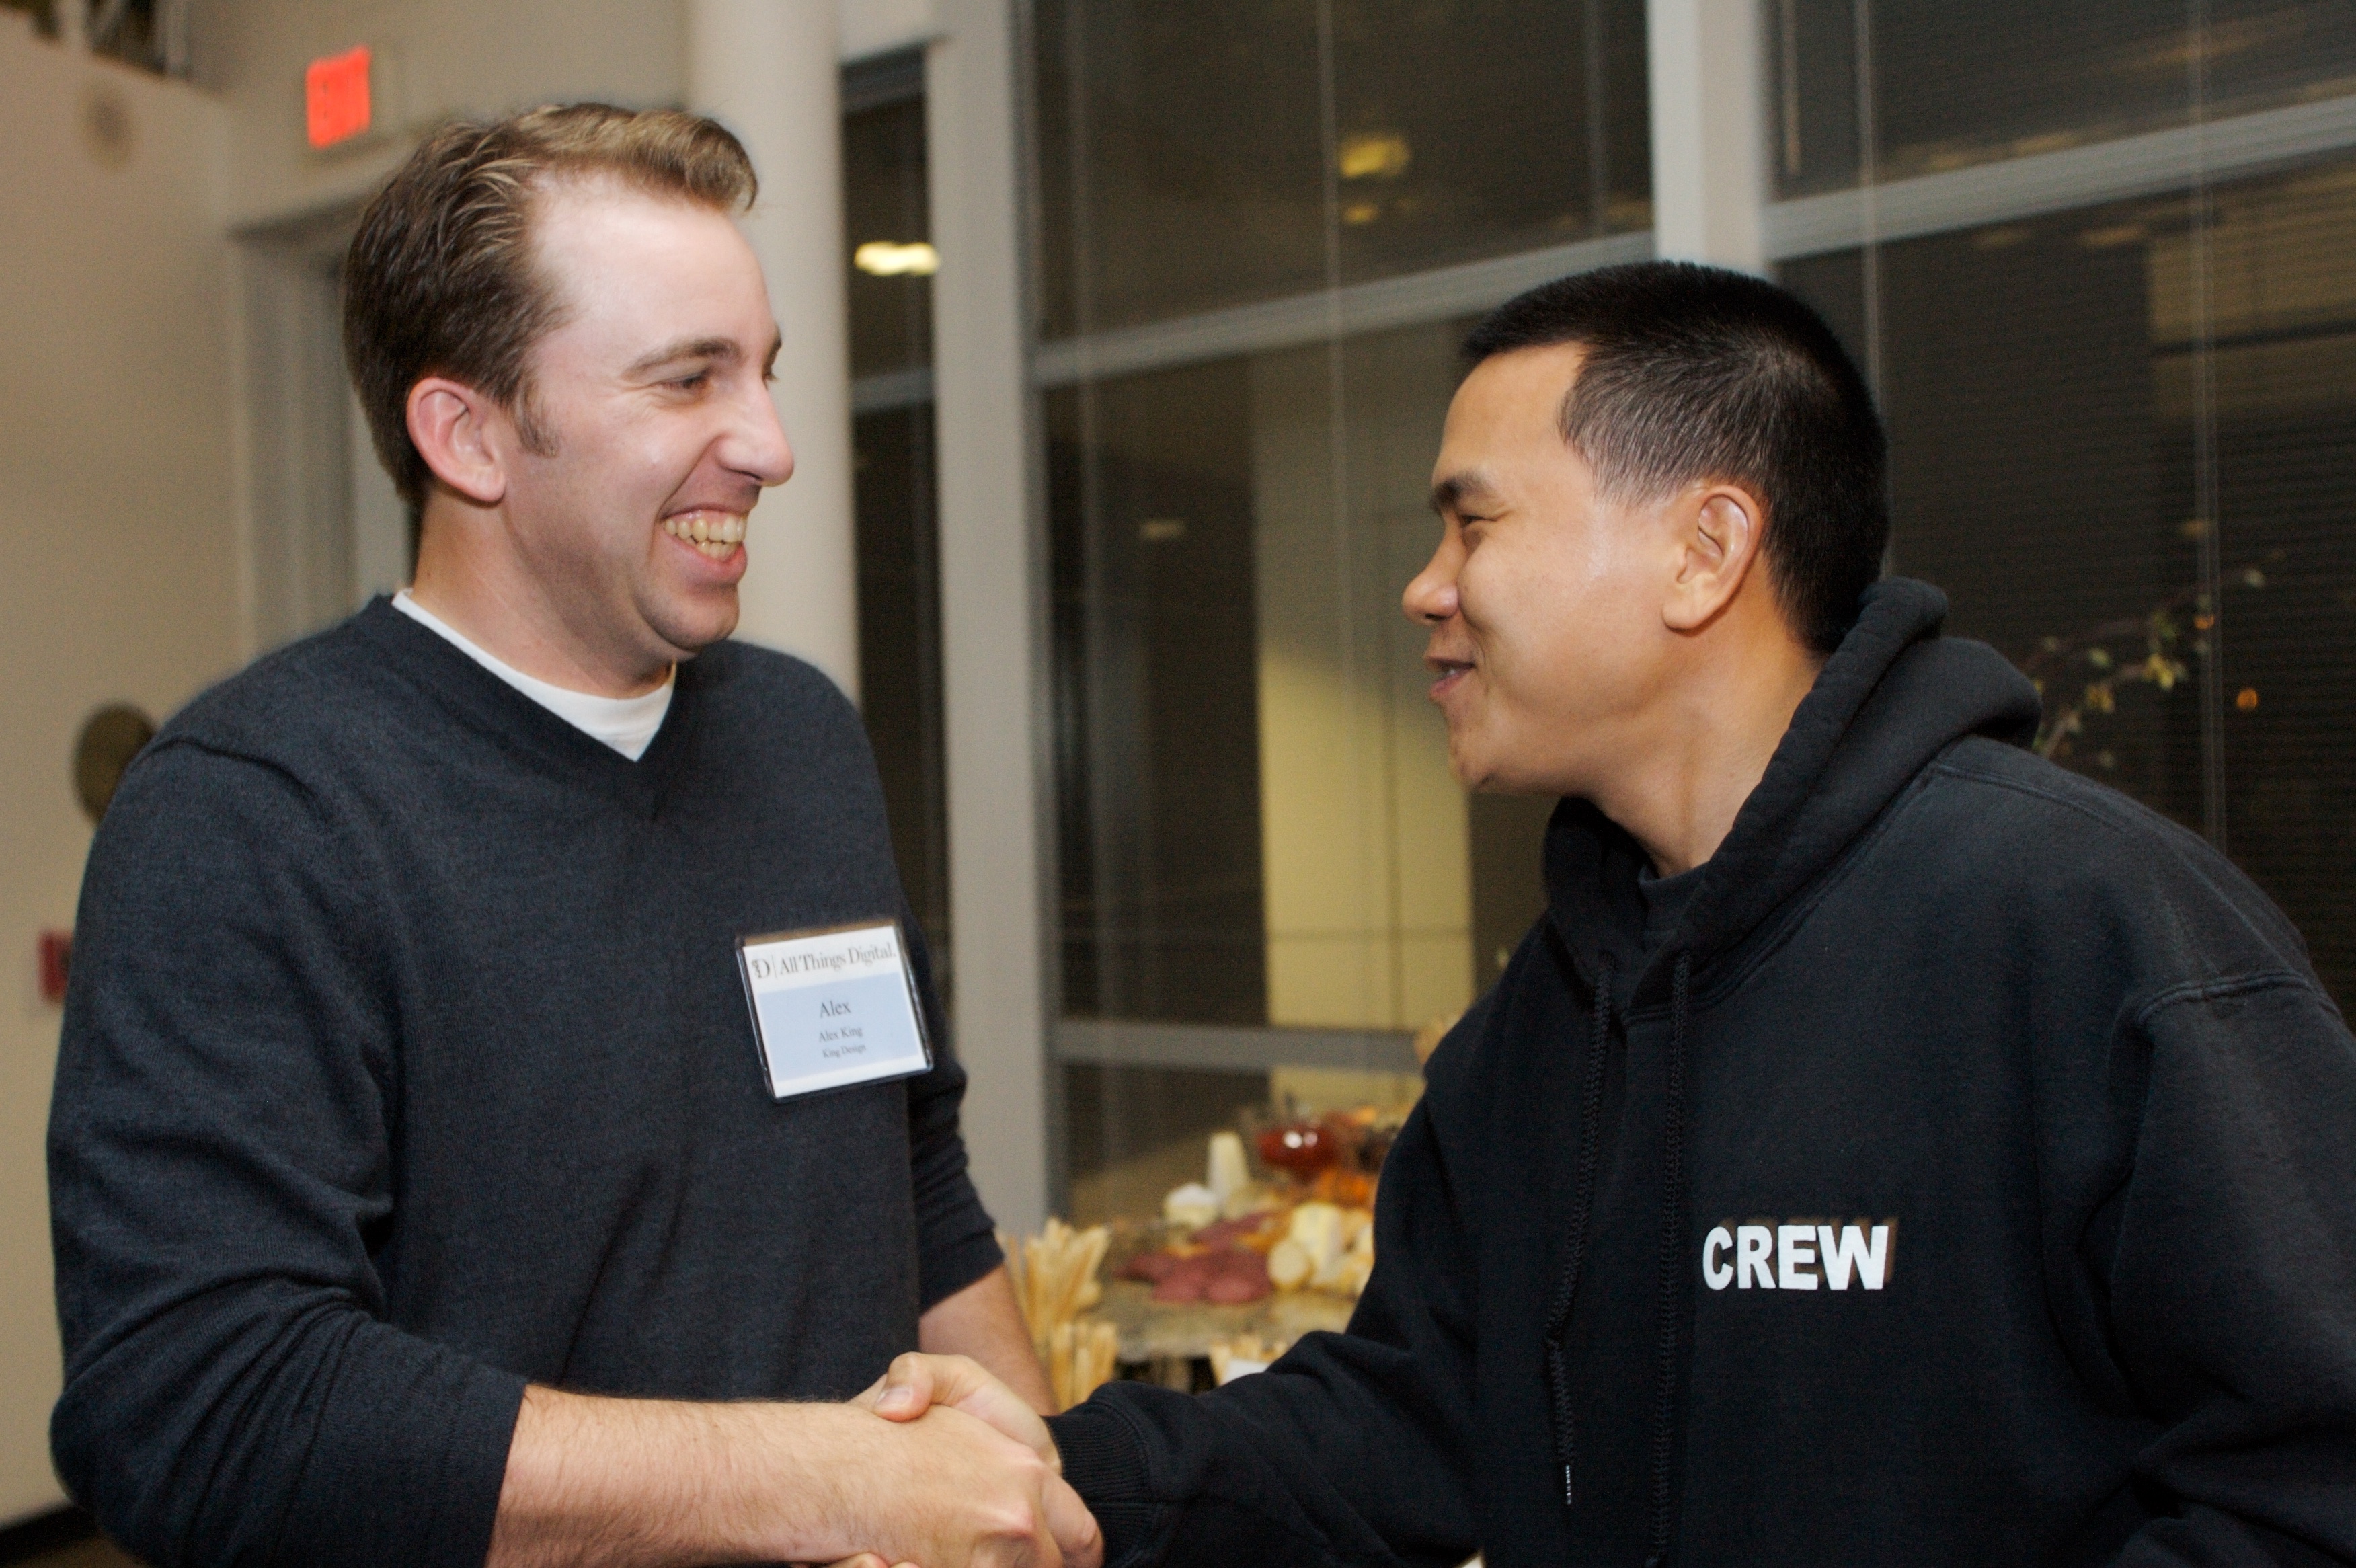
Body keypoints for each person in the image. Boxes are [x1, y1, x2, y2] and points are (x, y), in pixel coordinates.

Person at [869, 261, 2356, 1565]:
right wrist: (1061, 1477)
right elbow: (1404, 1428)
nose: (1425, 588)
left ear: (1705, 552)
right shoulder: (1547, 1016)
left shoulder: (2095, 936)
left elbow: (2309, 1484)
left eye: (1473, 524)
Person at [48, 104, 1097, 1568]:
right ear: (468, 434)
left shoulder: (801, 736)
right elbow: (207, 1409)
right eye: (689, 378)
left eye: (767, 371)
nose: (773, 446)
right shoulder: (252, 810)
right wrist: (833, 1479)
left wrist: (1036, 1490)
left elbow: (909, 1177)